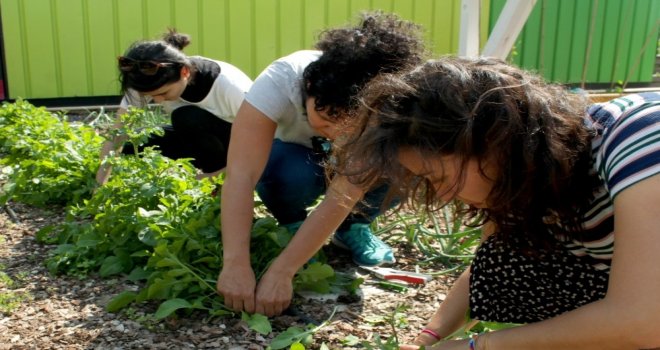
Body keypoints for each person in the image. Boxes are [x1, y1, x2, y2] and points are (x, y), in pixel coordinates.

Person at [332, 57, 660, 349]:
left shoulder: (636, 136)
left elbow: (645, 322)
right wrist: (426, 339)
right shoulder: (526, 185)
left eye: (438, 177)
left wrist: (480, 346)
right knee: (504, 259)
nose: (443, 196)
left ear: (492, 142)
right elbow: (483, 271)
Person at [216, 11, 426, 317]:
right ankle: (293, 223)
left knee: (402, 166)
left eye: (350, 127)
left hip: (357, 170)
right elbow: (240, 175)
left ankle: (354, 228)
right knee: (282, 172)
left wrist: (283, 271)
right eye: (326, 120)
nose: (337, 135)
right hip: (297, 158)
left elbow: (342, 195)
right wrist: (235, 263)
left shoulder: (386, 103)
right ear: (309, 85)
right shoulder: (280, 79)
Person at [96, 29, 253, 184]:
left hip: (243, 149)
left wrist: (211, 178)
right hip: (200, 141)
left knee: (187, 117)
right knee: (130, 145)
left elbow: (264, 148)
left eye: (163, 93)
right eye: (149, 96)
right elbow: (116, 136)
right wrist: (99, 187)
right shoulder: (144, 78)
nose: (157, 101)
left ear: (184, 72)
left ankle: (218, 188)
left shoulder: (230, 87)